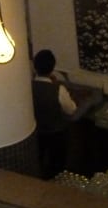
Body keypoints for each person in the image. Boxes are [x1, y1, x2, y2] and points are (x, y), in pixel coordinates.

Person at [31, 49, 76, 179]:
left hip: (36, 133)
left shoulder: (28, 87)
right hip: (56, 133)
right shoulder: (58, 89)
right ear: (53, 67)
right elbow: (71, 109)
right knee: (57, 166)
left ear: (35, 67)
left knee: (39, 163)